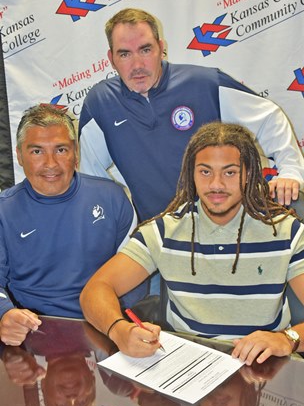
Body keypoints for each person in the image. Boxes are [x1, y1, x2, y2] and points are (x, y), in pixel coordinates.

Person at [80, 122, 304, 366]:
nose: (216, 184)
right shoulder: (165, 230)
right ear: (191, 173)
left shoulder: (285, 231)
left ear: (248, 173)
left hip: (262, 371)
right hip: (189, 369)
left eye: (229, 172)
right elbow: (95, 290)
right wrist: (119, 330)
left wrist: (288, 338)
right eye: (205, 172)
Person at [79, 8, 304, 224]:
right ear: (111, 58)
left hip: (233, 225)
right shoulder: (100, 104)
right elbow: (93, 181)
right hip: (164, 240)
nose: (137, 65)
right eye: (125, 54)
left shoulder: (204, 84)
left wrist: (291, 172)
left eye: (145, 50)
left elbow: (270, 118)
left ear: (161, 47)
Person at [0, 104, 136, 347]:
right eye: (37, 152)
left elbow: (137, 275)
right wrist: (4, 314)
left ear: (75, 153)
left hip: (104, 328)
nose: (51, 164)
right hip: (31, 334)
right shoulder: (3, 211)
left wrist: (116, 325)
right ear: (19, 155)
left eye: (60, 150)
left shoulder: (113, 198)